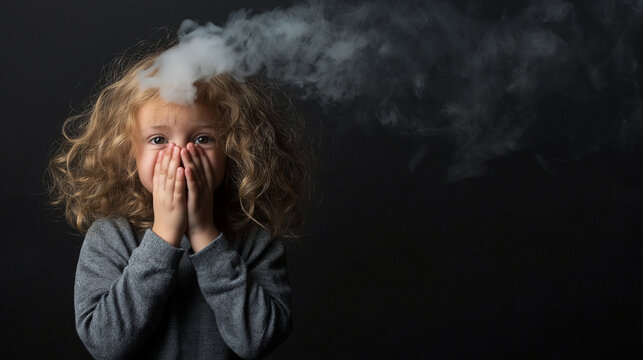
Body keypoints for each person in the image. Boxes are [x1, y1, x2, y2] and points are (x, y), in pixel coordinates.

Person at [47, 44, 311, 359]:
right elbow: (105, 345)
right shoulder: (111, 237)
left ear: (232, 148)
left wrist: (203, 232)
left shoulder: (254, 237)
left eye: (202, 139)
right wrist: (162, 238)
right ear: (131, 152)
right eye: (159, 140)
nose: (181, 156)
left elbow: (258, 341)